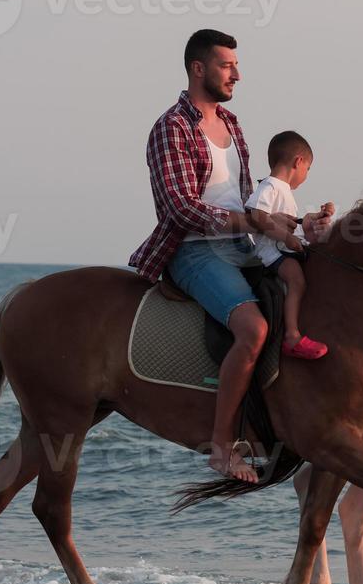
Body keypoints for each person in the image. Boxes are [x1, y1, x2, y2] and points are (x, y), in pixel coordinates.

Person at [129, 29, 332, 484]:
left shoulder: (233, 123)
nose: (236, 74)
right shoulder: (172, 127)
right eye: (227, 65)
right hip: (193, 250)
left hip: (241, 245)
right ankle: (222, 446)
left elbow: (249, 200)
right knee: (253, 329)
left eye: (236, 65)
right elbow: (180, 206)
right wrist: (255, 225)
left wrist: (297, 226)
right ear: (198, 68)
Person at [246, 130, 336, 360]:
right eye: (308, 169)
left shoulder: (281, 189)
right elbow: (257, 216)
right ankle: (292, 336)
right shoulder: (271, 186)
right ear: (299, 161)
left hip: (280, 249)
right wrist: (287, 239)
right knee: (297, 281)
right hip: (271, 252)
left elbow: (287, 222)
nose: (306, 175)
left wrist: (311, 220)